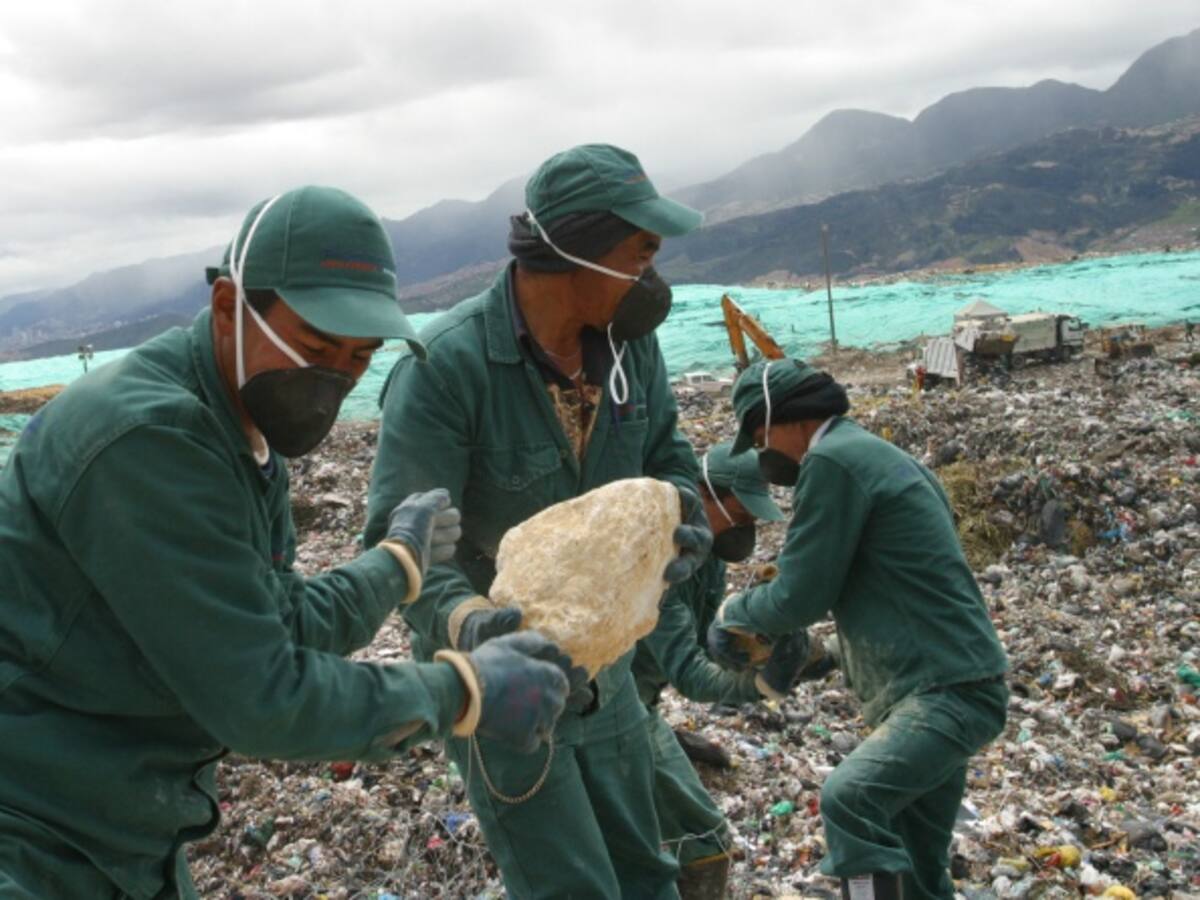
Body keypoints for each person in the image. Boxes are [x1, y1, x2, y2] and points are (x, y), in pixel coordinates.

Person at [0, 186, 579, 900]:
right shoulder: (149, 441)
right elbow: (261, 696)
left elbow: (277, 621)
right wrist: (460, 690)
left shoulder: (239, 429)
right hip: (33, 831)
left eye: (361, 356)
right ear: (227, 310)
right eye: (313, 345)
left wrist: (395, 563)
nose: (335, 377)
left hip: (121, 826)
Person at [365, 143, 713, 899]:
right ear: (575, 251)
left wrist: (681, 521)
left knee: (647, 874)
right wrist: (468, 623)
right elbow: (397, 541)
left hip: (610, 674)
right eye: (641, 253)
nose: (653, 278)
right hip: (506, 694)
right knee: (570, 887)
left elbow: (669, 458)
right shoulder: (445, 368)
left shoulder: (631, 349)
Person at [707, 358, 1009, 900]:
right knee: (916, 862)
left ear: (792, 417)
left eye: (759, 436)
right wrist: (823, 656)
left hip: (941, 691)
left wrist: (735, 613)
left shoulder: (833, 461)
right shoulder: (874, 456)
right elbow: (884, 586)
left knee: (851, 799)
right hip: (953, 680)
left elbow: (800, 594)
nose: (763, 454)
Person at [634, 440, 836, 898]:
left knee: (644, 840)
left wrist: (767, 651)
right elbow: (690, 674)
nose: (746, 527)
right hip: (613, 709)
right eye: (740, 514)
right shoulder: (662, 561)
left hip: (642, 703)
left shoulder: (708, 563)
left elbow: (707, 648)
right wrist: (763, 686)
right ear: (702, 494)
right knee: (702, 838)